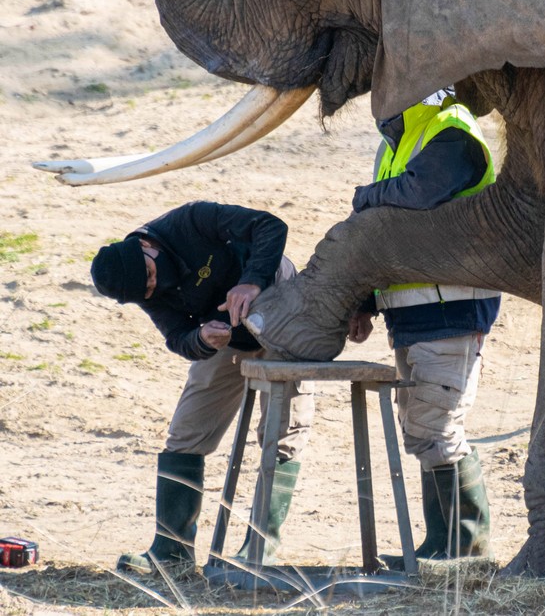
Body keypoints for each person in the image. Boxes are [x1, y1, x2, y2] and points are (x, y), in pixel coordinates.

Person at [90, 201, 313, 575]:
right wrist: (201, 340)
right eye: (145, 289)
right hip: (226, 339)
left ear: (147, 246)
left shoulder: (191, 220)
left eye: (149, 275)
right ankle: (171, 551)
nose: (153, 286)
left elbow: (270, 226)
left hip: (285, 312)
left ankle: (260, 549)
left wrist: (251, 280)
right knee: (186, 432)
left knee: (282, 431)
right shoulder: (143, 287)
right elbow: (177, 336)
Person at [348, 89, 499, 561]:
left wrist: (365, 197)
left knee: (436, 426)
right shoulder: (395, 142)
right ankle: (443, 545)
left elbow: (421, 192)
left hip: (451, 308)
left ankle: (464, 549)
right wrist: (367, 301)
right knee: (419, 429)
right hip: (410, 313)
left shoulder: (449, 125)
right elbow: (389, 236)